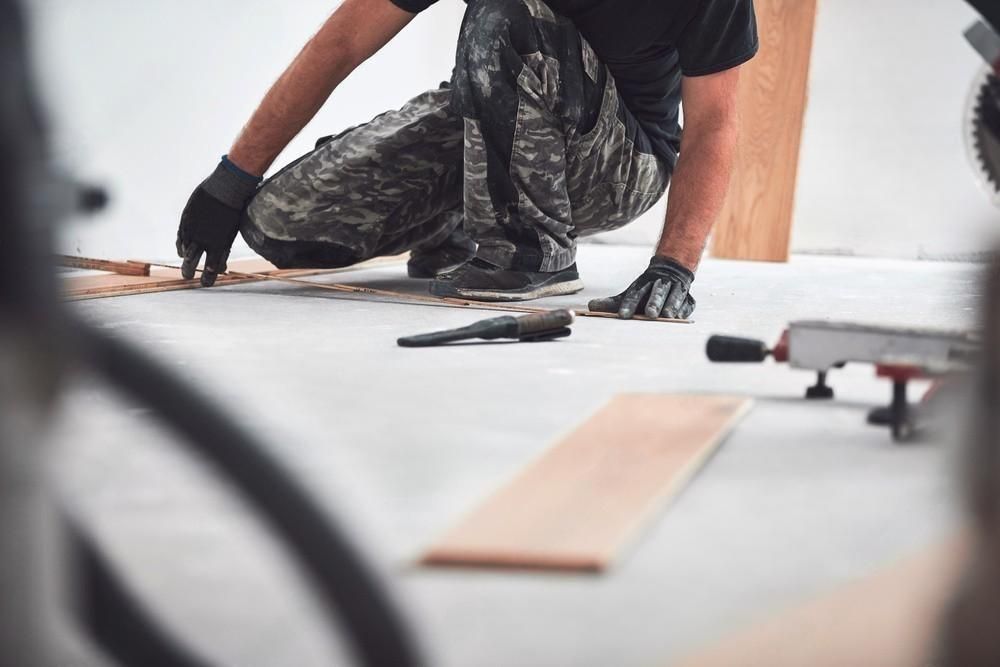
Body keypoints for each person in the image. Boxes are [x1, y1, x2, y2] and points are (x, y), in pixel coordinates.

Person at [175, 0, 757, 320]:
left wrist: (674, 265)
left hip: (617, 166)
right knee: (281, 223)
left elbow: (712, 124)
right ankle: (465, 226)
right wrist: (233, 180)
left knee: (503, 16)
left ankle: (532, 255)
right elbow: (342, 41)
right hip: (494, 121)